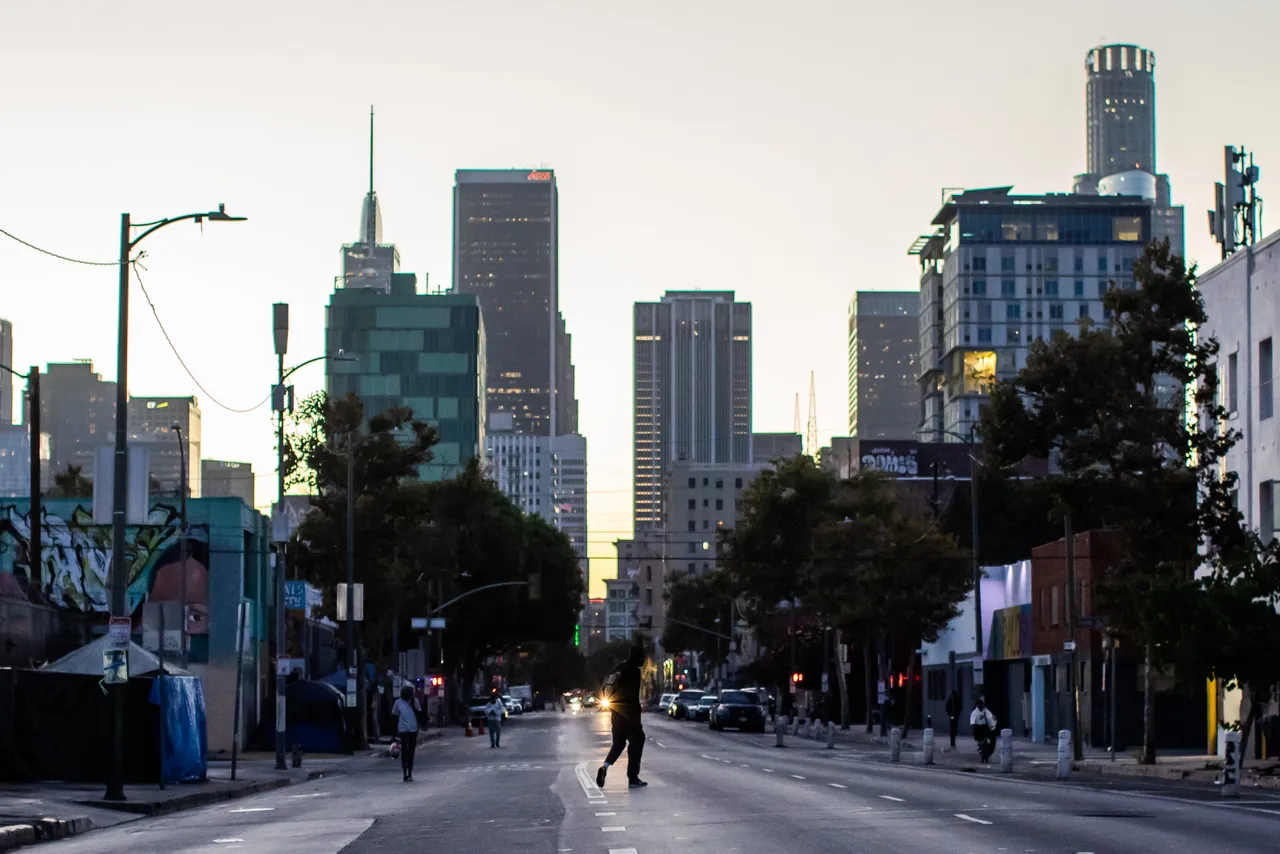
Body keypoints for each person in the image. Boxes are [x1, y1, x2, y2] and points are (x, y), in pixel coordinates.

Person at [596, 645, 647, 789]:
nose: (643, 660)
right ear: (637, 657)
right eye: (642, 657)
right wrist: (636, 716)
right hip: (630, 715)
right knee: (638, 741)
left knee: (619, 744)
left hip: (616, 714)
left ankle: (605, 766)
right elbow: (632, 696)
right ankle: (633, 778)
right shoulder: (634, 671)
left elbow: (604, 687)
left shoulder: (618, 668)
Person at [391, 685, 422, 782]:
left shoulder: (413, 701)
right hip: (406, 730)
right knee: (408, 751)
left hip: (410, 730)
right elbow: (394, 716)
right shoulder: (399, 702)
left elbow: (394, 716)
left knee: (408, 751)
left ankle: (408, 772)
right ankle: (407, 772)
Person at [970, 698, 997, 763]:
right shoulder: (974, 713)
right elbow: (972, 721)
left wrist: (993, 723)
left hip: (986, 727)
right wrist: (974, 725)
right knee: (982, 741)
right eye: (979, 706)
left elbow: (991, 719)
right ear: (977, 706)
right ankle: (982, 752)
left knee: (992, 740)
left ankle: (988, 752)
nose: (980, 707)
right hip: (978, 728)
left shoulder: (987, 712)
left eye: (981, 705)